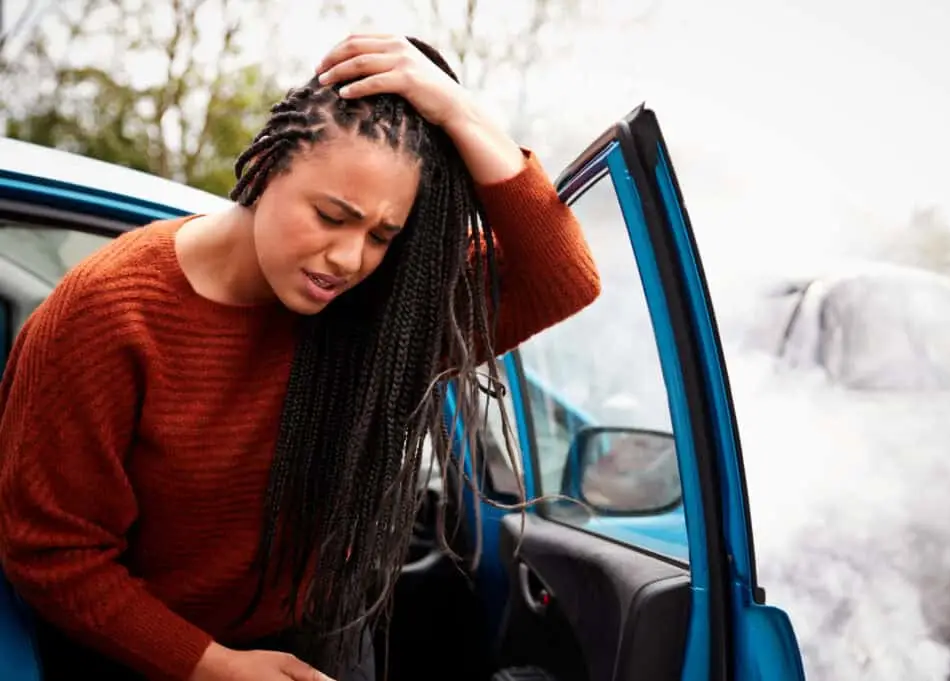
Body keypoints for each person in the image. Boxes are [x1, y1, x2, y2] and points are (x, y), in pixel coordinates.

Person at [0, 35, 600, 681]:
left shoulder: (376, 314)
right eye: (329, 215)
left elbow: (562, 276)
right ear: (267, 164)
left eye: (380, 235)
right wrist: (216, 666)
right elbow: (52, 553)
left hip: (321, 637)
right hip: (147, 653)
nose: (349, 258)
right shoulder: (107, 313)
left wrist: (459, 110)